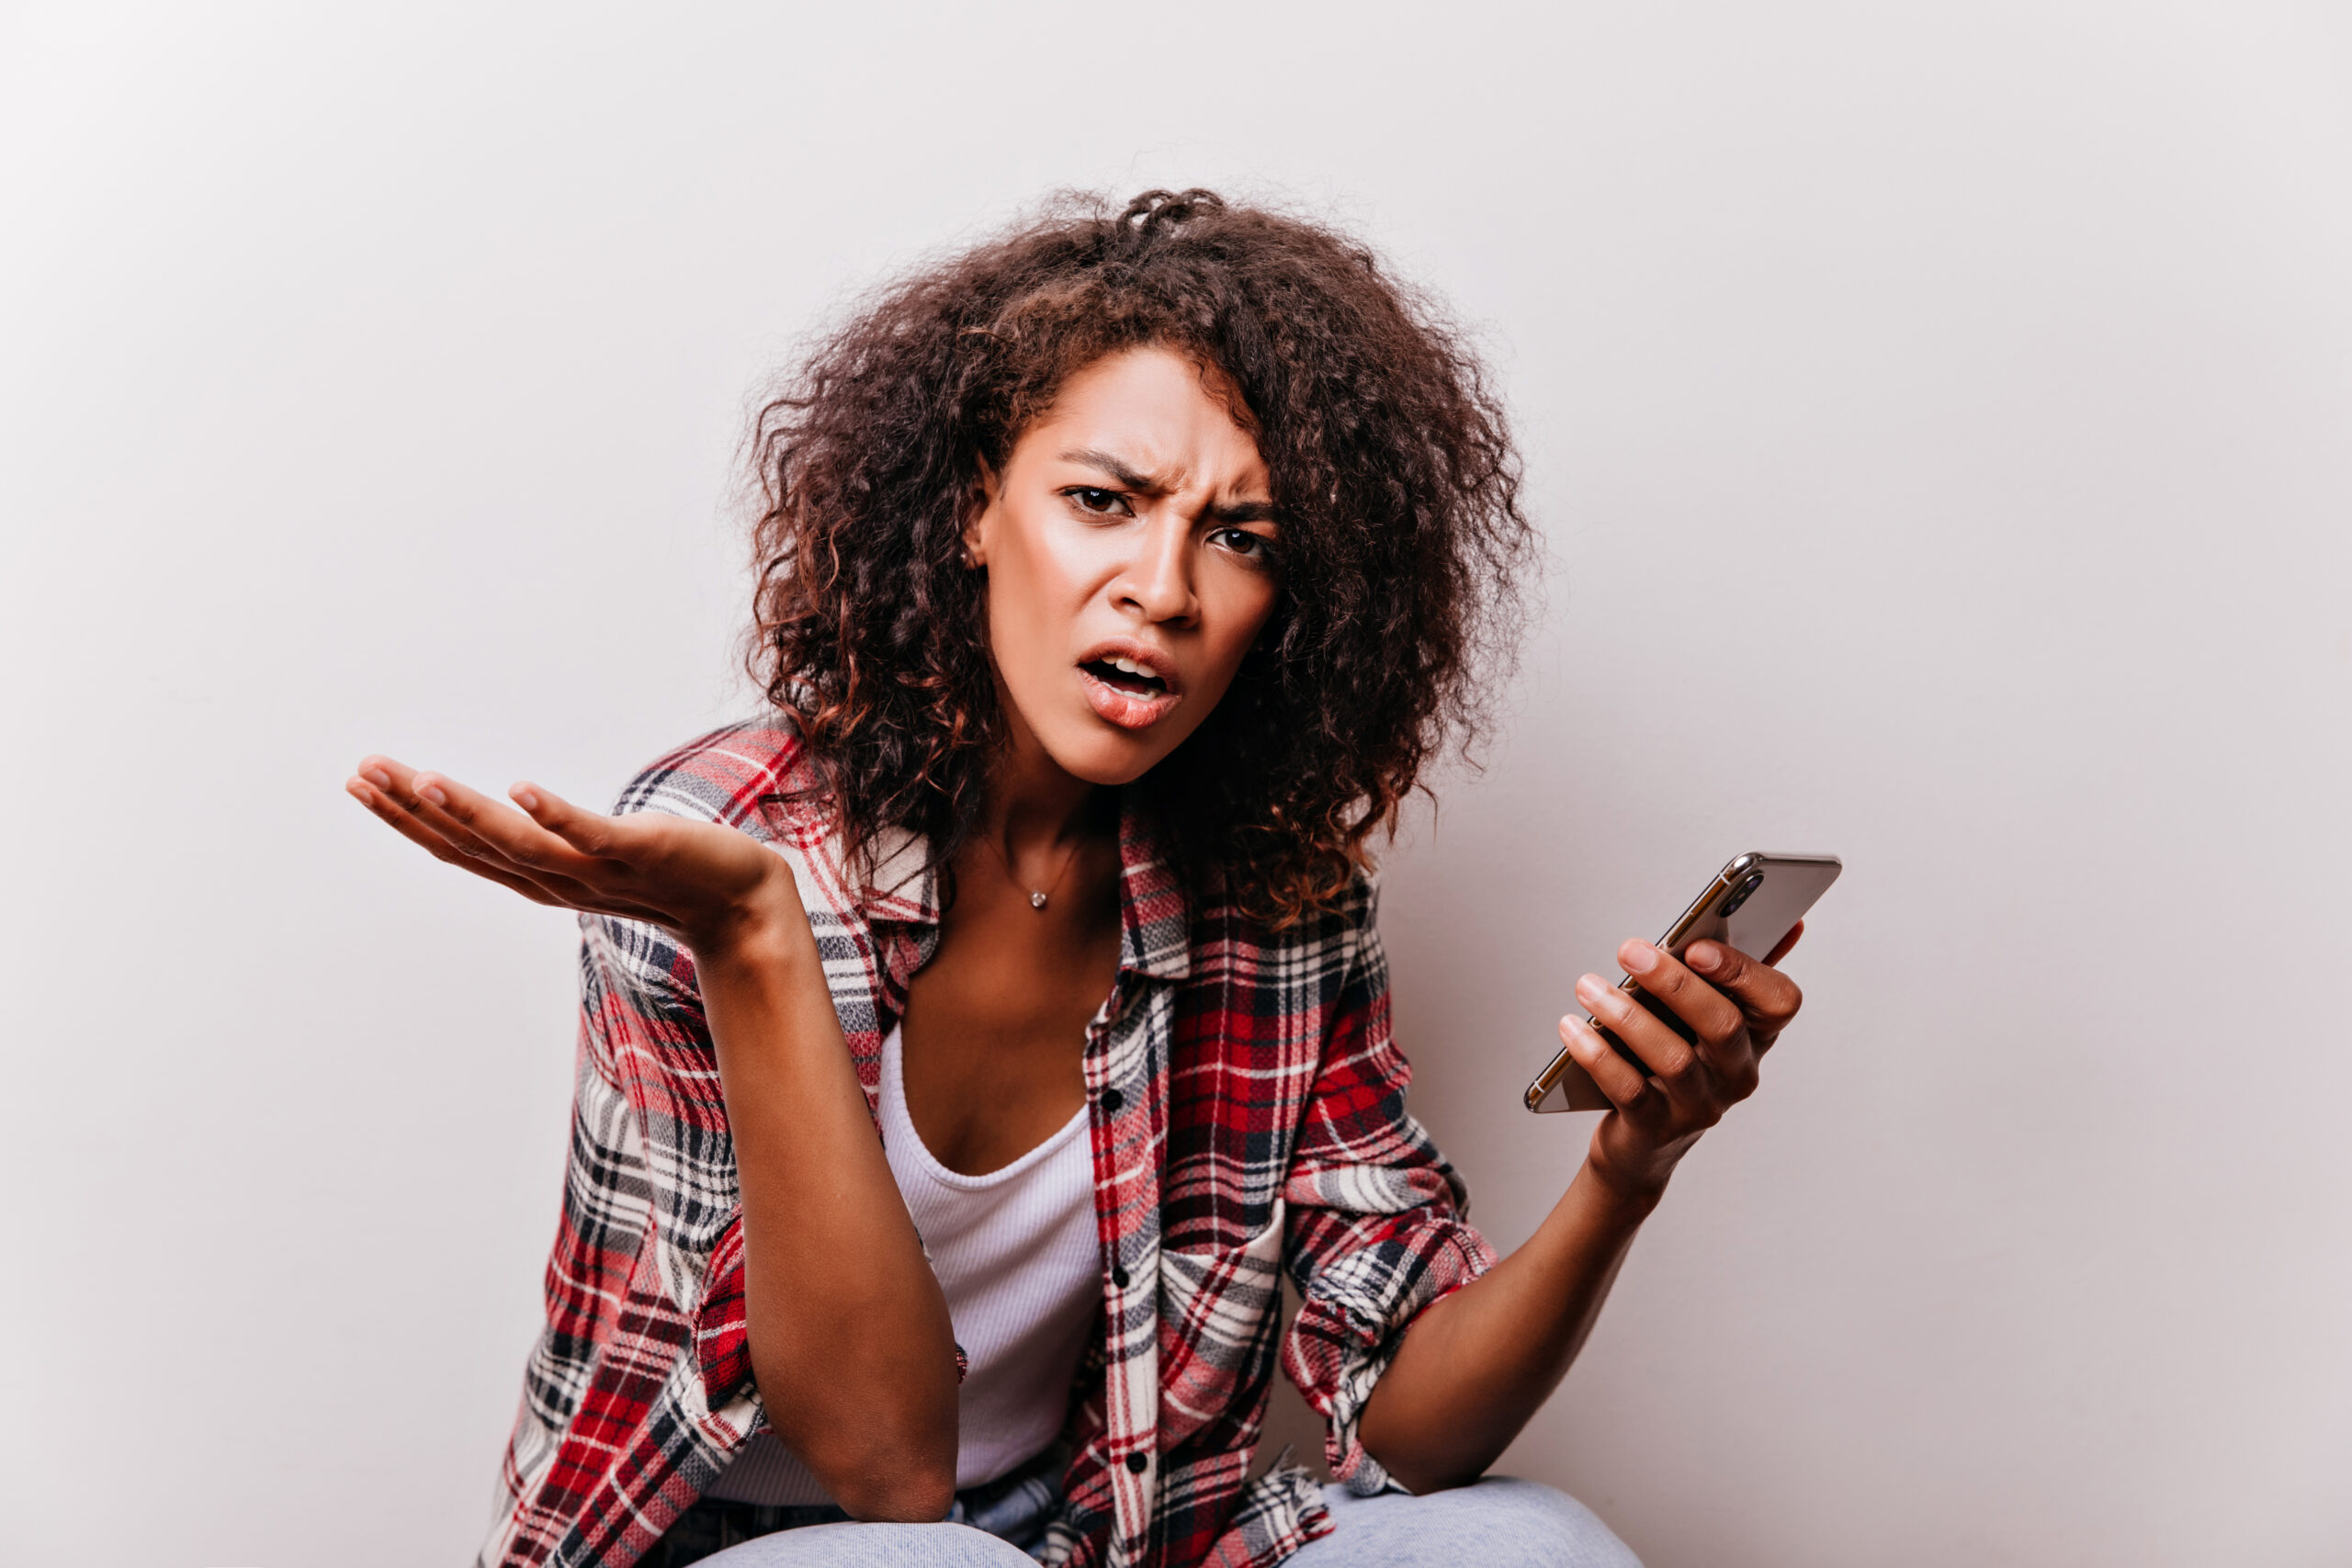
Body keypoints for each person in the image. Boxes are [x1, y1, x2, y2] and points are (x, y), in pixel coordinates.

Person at [345, 189, 1807, 1568]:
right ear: (977, 511)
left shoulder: (1280, 905)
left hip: (1098, 1536)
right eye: (1105, 500)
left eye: (1238, 539)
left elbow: (1413, 1432)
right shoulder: (722, 851)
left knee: (1529, 1540)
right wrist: (754, 942)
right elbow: (889, 1474)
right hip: (741, 1543)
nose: (1164, 588)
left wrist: (1630, 1168)